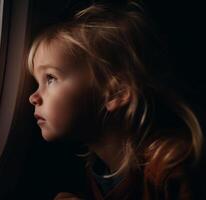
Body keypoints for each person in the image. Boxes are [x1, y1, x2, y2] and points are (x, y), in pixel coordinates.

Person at [27, 0, 204, 199]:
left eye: (50, 78)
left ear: (115, 93)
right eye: (37, 82)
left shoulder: (171, 164)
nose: (33, 97)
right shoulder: (98, 167)